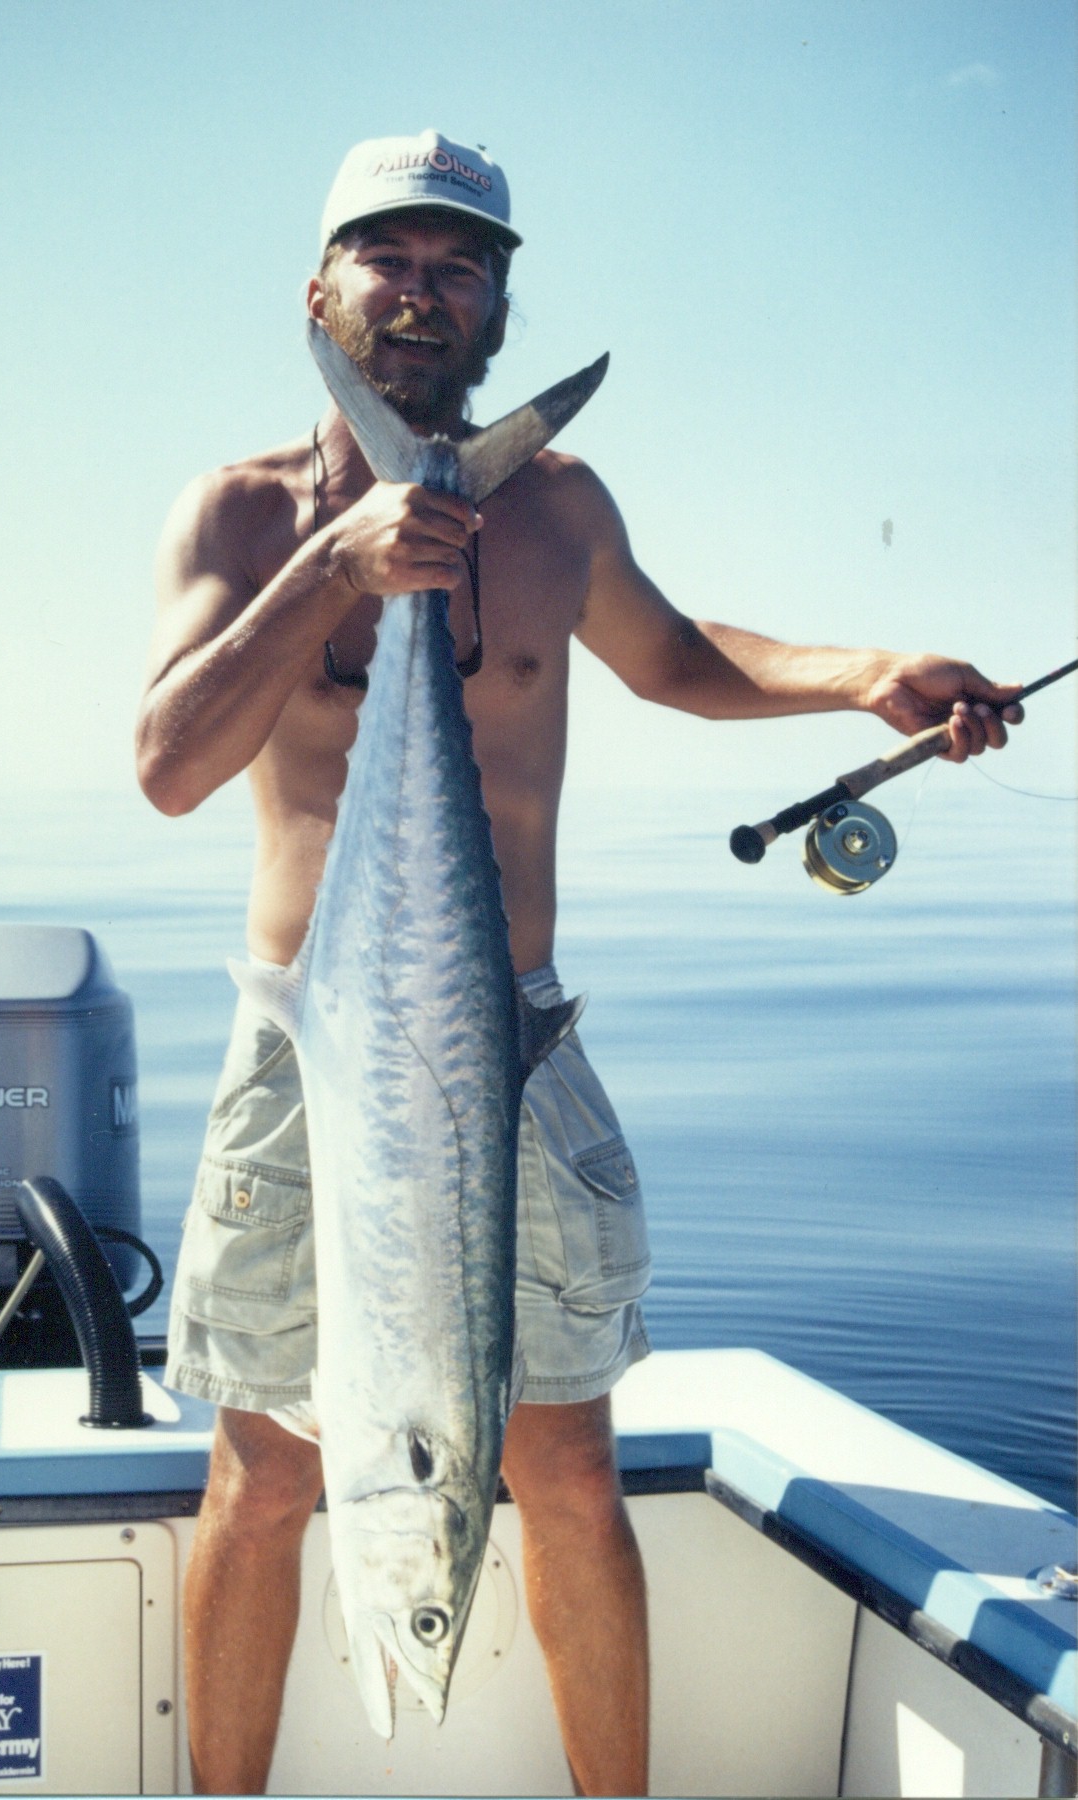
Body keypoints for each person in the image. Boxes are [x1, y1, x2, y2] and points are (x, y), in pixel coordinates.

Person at [136, 130, 1022, 1797]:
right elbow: (173, 766)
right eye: (388, 259)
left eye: (458, 265)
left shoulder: (553, 508)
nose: (421, 292)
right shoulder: (244, 512)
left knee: (565, 1461)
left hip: (509, 1047)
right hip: (302, 1058)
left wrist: (872, 671)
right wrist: (340, 563)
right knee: (261, 1473)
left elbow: (680, 661)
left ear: (496, 304)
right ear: (318, 292)